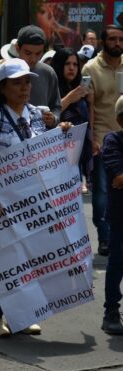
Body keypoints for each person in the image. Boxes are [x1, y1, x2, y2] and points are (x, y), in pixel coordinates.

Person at [0, 58, 71, 336]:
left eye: (27, 81)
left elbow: (44, 153)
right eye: (17, 82)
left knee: (29, 256)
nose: (25, 87)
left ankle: (23, 313)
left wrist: (60, 134)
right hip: (0, 202)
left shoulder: (37, 115)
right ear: (3, 88)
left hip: (31, 203)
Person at [83, 24, 123, 257]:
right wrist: (92, 139)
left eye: (121, 40)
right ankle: (105, 237)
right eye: (113, 40)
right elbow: (88, 105)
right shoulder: (90, 68)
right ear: (102, 42)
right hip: (102, 140)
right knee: (101, 194)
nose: (117, 44)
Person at [51, 48, 93, 194]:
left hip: (76, 151)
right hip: (56, 154)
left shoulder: (77, 88)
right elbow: (48, 115)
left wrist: (89, 101)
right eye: (67, 64)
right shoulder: (53, 87)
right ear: (59, 65)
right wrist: (69, 99)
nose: (71, 68)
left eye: (75, 65)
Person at [100, 95, 123, 335]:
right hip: (120, 215)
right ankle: (111, 310)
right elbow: (118, 178)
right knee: (117, 262)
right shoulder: (113, 141)